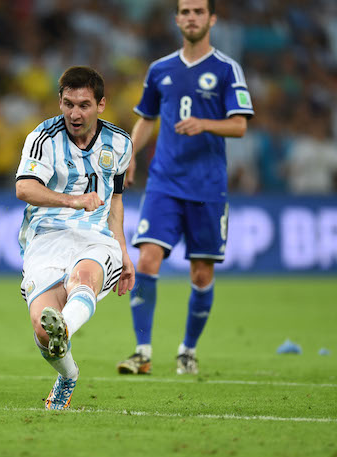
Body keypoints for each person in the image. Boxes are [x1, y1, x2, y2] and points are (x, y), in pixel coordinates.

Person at [116, 0, 254, 376]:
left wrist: (205, 124)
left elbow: (240, 125)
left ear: (211, 18)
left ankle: (187, 350)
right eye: (185, 11)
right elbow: (146, 118)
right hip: (164, 182)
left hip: (208, 187)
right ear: (177, 19)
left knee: (201, 274)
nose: (191, 17)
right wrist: (130, 154)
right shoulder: (160, 69)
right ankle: (142, 352)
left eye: (198, 11)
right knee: (146, 259)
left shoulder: (227, 69)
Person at [15, 66, 135, 410]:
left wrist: (124, 254)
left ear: (101, 104)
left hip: (95, 238)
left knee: (84, 277)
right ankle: (67, 374)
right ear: (59, 101)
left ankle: (63, 328)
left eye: (83, 105)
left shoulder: (120, 143)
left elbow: (115, 200)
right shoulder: (43, 137)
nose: (74, 113)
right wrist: (72, 200)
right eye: (68, 104)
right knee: (41, 329)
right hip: (46, 237)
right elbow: (24, 187)